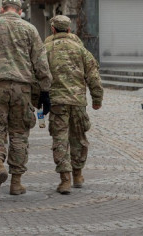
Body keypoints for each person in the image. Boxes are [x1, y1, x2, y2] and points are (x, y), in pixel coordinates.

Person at [0, 0, 51, 197]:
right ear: (20, 11)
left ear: (2, 8)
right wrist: (45, 91)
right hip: (22, 89)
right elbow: (41, 62)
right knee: (19, 133)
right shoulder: (30, 29)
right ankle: (16, 183)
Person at [44, 15, 103, 193]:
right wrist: (97, 99)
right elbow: (93, 76)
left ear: (53, 29)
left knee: (60, 139)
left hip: (57, 102)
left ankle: (65, 180)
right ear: (69, 30)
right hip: (78, 102)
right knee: (78, 138)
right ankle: (78, 174)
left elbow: (39, 75)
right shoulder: (81, 49)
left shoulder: (45, 49)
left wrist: (36, 99)